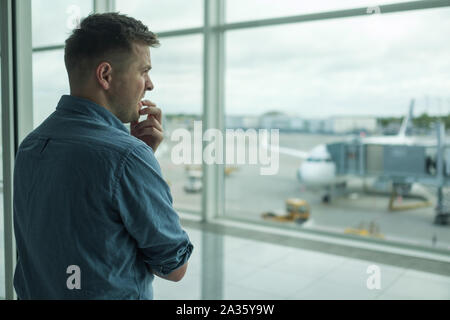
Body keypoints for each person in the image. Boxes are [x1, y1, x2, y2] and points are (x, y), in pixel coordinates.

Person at [13, 12, 193, 299]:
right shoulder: (128, 157)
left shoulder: (32, 145)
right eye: (143, 71)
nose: (150, 84)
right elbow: (174, 267)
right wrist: (142, 159)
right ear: (106, 75)